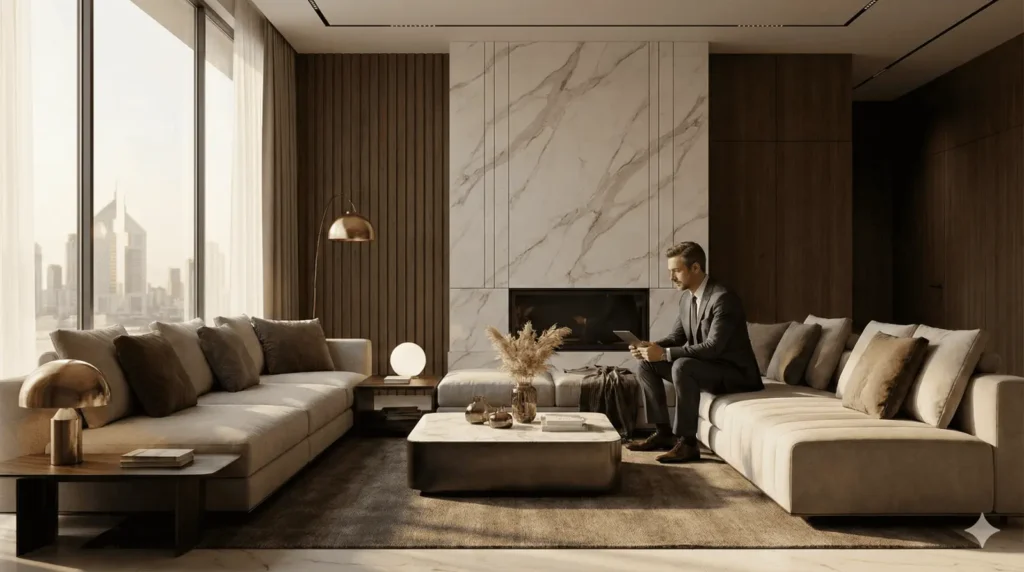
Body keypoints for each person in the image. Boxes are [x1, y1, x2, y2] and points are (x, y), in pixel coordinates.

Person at [627, 241, 763, 463]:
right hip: (706, 369)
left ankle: (688, 443)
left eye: (677, 271)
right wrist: (649, 347)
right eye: (670, 271)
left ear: (696, 268)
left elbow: (713, 347)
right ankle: (663, 432)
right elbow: (675, 338)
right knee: (646, 364)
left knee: (682, 365)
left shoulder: (723, 298)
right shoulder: (687, 299)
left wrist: (663, 354)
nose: (671, 277)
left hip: (735, 374)